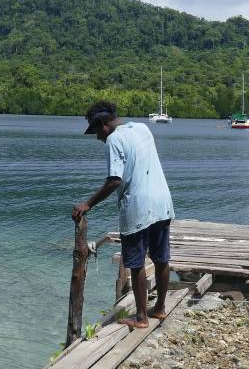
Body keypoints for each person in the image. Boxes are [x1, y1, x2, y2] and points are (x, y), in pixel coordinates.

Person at [72, 100, 174, 328]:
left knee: (136, 263)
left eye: (96, 131)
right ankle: (159, 309)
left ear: (102, 124)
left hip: (137, 206)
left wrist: (87, 204)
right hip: (161, 201)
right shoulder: (142, 128)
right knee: (161, 258)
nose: (97, 137)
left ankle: (141, 317)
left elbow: (114, 181)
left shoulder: (113, 140)